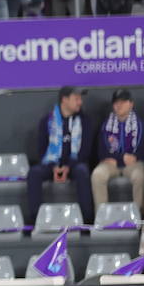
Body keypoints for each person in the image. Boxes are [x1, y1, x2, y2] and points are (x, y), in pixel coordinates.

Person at [31, 87, 95, 225]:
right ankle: (36, 221)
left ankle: (87, 221)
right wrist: (54, 167)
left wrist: (67, 167)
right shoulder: (46, 122)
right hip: (51, 164)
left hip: (75, 163)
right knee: (34, 173)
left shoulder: (84, 121)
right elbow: (42, 151)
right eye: (76, 99)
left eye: (80, 99)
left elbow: (85, 152)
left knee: (82, 171)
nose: (80, 102)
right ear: (64, 100)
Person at [92, 89, 144, 215]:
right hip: (111, 165)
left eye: (123, 102)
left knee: (139, 176)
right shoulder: (106, 125)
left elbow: (142, 152)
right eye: (116, 102)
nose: (119, 105)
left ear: (131, 104)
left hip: (134, 164)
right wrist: (121, 158)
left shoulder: (140, 125)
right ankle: (102, 217)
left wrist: (128, 158)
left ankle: (138, 217)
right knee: (97, 175)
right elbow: (101, 153)